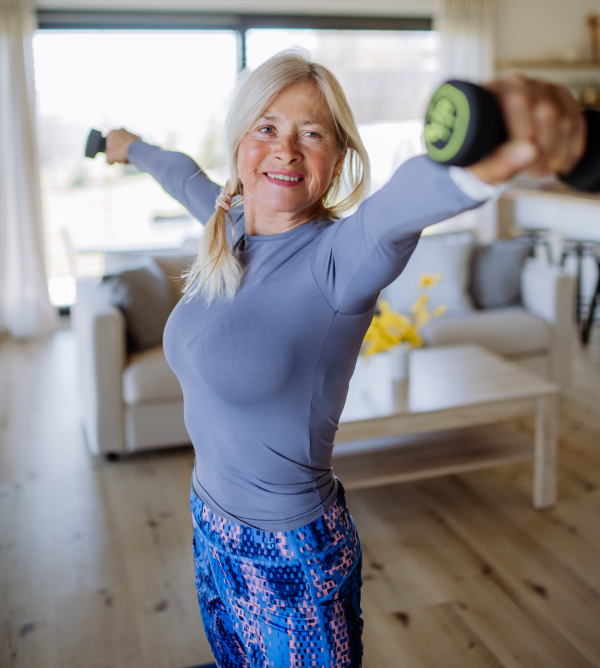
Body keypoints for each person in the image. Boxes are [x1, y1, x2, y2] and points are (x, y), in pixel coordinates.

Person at [105, 52, 585, 668]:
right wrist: (127, 145)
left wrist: (479, 164)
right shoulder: (230, 225)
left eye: (312, 133)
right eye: (267, 128)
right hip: (209, 522)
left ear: (337, 161)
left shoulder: (339, 260)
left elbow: (399, 210)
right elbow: (180, 173)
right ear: (241, 143)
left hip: (291, 558)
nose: (286, 150)